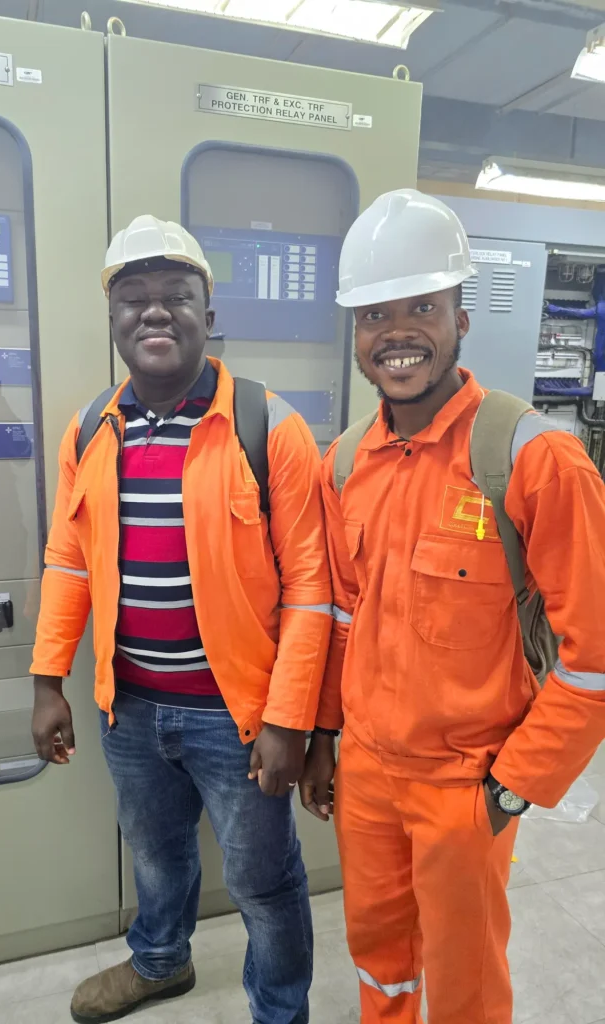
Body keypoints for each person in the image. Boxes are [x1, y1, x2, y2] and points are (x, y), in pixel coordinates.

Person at [300, 189, 605, 1023]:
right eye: (375, 314)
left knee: (464, 982)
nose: (397, 332)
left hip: (467, 784)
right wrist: (326, 737)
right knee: (381, 963)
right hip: (366, 776)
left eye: (422, 308)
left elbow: (594, 658)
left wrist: (513, 786)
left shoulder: (533, 459)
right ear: (356, 334)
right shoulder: (344, 464)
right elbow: (343, 620)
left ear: (460, 319)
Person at [30, 215, 332, 1024]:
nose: (154, 311)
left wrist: (288, 720)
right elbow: (68, 562)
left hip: (238, 719)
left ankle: (280, 1012)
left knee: (263, 881)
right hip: (127, 710)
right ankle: (161, 963)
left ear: (209, 312)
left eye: (176, 295)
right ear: (113, 318)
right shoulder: (92, 428)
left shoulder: (269, 427)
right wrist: (48, 679)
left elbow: (311, 590)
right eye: (134, 297)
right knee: (156, 857)